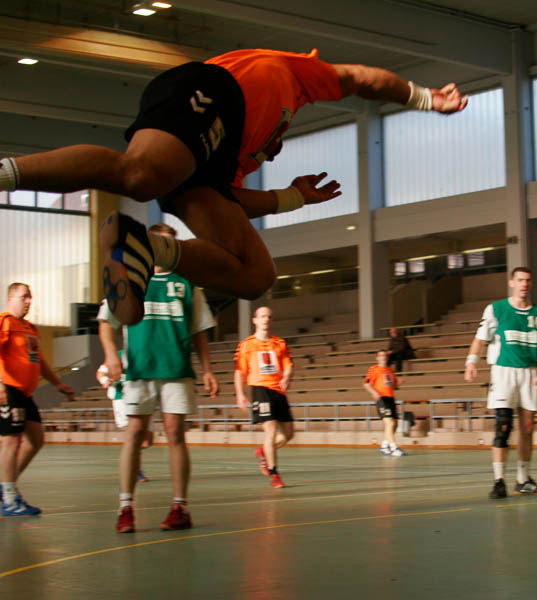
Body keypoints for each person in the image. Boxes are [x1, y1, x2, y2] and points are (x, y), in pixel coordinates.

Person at [0, 50, 469, 327]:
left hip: (204, 164)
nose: (277, 148)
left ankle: (142, 248)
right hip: (214, 88)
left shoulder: (239, 155)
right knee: (140, 177)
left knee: (254, 275)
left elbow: (233, 200)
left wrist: (293, 198)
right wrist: (426, 99)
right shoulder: (300, 76)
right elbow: (364, 79)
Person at [97, 222, 218, 533]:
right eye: (161, 243)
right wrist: (111, 356)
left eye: (171, 244)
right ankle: (126, 507)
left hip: (176, 371)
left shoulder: (188, 285)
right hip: (139, 370)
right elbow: (105, 322)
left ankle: (180, 507)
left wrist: (207, 369)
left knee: (175, 433)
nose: (166, 248)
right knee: (134, 434)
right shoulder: (130, 279)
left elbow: (199, 332)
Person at [463, 267, 537, 499]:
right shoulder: (497, 309)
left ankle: (523, 479)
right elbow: (480, 339)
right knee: (503, 427)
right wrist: (471, 362)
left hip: (528, 373)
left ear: (531, 284)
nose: (524, 284)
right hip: (503, 373)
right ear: (511, 283)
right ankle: (498, 481)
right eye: (520, 280)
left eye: (527, 280)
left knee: (527, 428)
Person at [0, 283, 75, 516]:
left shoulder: (30, 328)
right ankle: (10, 497)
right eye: (24, 297)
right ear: (11, 298)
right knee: (11, 440)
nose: (29, 301)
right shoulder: (5, 322)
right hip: (8, 388)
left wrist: (58, 383)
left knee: (36, 439)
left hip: (24, 392)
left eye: (30, 297)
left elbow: (39, 361)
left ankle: (5, 487)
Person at [234, 306, 295, 488]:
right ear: (255, 320)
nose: (266, 319)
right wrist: (240, 393)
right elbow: (240, 371)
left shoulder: (279, 343)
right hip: (260, 389)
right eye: (262, 316)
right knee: (270, 430)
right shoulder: (246, 345)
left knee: (289, 433)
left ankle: (263, 452)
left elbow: (289, 365)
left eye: (269, 316)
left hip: (279, 391)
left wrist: (286, 376)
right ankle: (274, 473)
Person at [97, 357, 152, 483]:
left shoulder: (145, 352)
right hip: (121, 399)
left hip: (143, 396)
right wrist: (104, 379)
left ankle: (130, 456)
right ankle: (135, 470)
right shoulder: (119, 355)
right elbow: (100, 372)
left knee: (147, 441)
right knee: (134, 437)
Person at [363, 350, 406, 457]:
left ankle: (384, 445)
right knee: (389, 423)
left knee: (394, 424)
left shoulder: (390, 370)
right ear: (376, 358)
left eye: (385, 355)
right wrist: (374, 392)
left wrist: (398, 383)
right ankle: (393, 447)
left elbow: (392, 385)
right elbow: (366, 384)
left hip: (391, 398)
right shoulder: (374, 369)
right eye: (381, 355)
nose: (383, 357)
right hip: (381, 398)